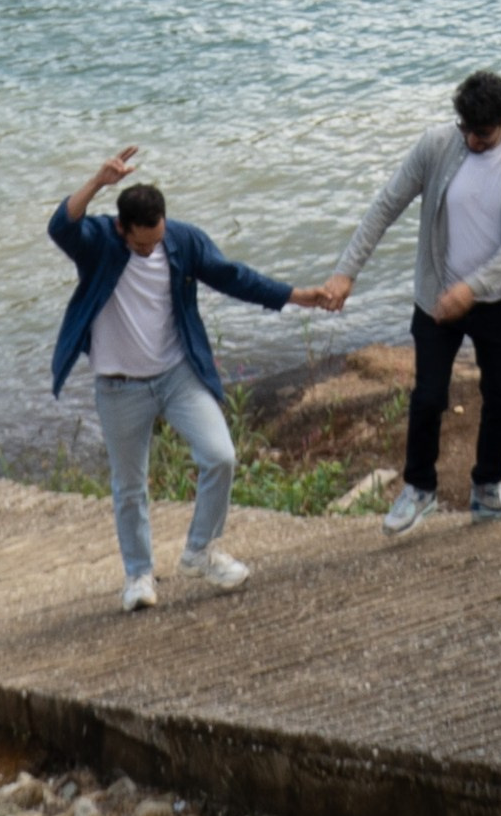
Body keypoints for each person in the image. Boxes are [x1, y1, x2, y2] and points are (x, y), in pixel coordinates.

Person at [50, 146, 335, 611]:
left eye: (156, 240)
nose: (150, 249)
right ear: (122, 228)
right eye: (141, 244)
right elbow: (60, 225)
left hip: (177, 375)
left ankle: (200, 551)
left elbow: (233, 277)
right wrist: (98, 182)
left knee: (220, 455)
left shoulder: (181, 241)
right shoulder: (100, 242)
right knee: (129, 486)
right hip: (119, 386)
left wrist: (298, 296)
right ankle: (139, 576)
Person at [314, 70, 501, 534]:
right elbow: (386, 205)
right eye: (465, 129)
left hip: (498, 298)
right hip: (437, 294)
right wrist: (346, 271)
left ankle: (489, 489)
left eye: (481, 134)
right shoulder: (438, 145)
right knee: (427, 397)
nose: (472, 141)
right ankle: (419, 489)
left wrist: (472, 289)